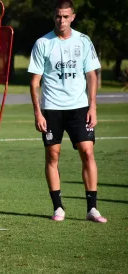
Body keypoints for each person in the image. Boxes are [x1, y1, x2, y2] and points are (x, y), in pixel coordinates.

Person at [28, 0, 106, 223]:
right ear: (54, 17)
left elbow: (91, 75)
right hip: (51, 108)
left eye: (65, 16)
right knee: (53, 155)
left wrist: (93, 106)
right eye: (58, 16)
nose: (61, 20)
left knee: (87, 152)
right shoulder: (43, 43)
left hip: (79, 107)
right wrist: (37, 112)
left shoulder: (83, 41)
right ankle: (58, 207)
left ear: (73, 17)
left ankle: (92, 209)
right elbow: (34, 81)